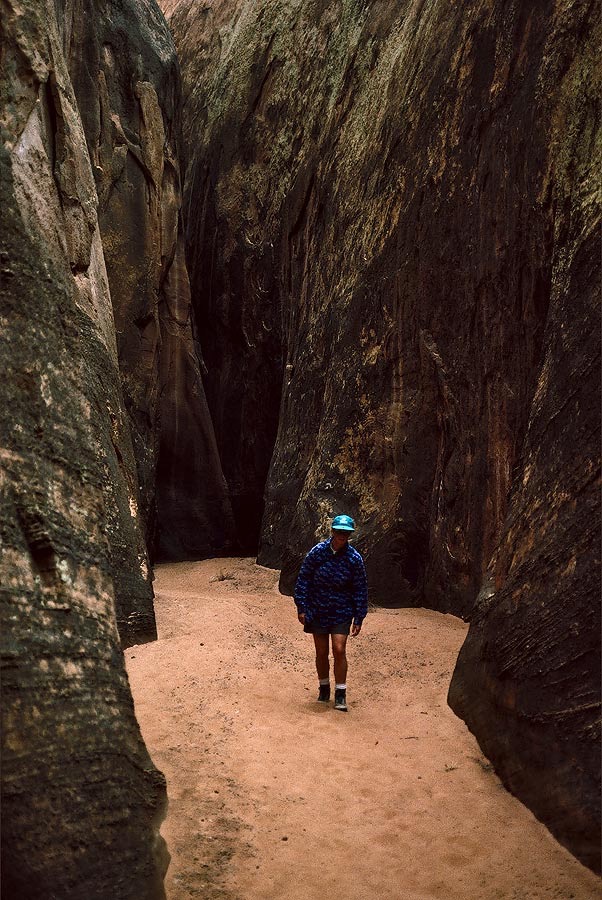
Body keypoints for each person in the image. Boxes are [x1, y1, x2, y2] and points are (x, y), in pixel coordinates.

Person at [294, 514, 368, 712]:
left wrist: (359, 616)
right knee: (321, 652)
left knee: (339, 649)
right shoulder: (318, 552)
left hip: (342, 609)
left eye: (346, 532)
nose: (342, 535)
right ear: (333, 531)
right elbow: (304, 578)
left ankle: (341, 693)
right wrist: (301, 606)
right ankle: (324, 688)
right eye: (339, 531)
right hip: (317, 608)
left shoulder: (354, 558)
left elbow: (360, 588)